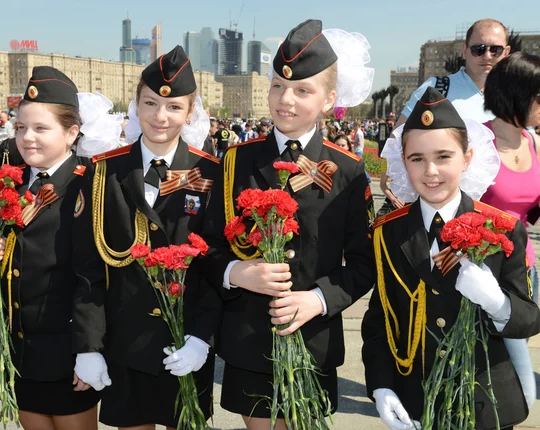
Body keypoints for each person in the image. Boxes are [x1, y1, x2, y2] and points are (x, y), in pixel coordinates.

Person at [201, 19, 375, 429]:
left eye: (302, 90)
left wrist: (317, 299)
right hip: (250, 342)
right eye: (278, 85)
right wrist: (234, 271)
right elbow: (206, 247)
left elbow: (364, 264)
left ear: (329, 98)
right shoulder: (234, 162)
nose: (286, 99)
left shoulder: (348, 171)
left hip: (313, 341)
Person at [362, 87, 540, 430]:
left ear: (467, 157)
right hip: (415, 399)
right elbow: (380, 319)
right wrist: (381, 384)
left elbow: (530, 318)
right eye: (417, 159)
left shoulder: (502, 228)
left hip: (486, 403)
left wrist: (498, 303)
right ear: (404, 160)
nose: (431, 171)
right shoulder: (388, 232)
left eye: (444, 156)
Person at [72, 46, 221, 429]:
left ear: (190, 113)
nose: (160, 116)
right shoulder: (105, 172)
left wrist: (202, 337)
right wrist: (89, 345)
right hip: (126, 344)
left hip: (186, 343)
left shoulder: (212, 173)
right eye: (150, 103)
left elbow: (216, 262)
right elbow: (88, 266)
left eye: (174, 107)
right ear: (135, 106)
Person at [0, 66, 102, 430]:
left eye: (40, 129)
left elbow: (94, 276)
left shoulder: (90, 185)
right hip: (19, 349)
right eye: (20, 128)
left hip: (67, 352)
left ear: (71, 132)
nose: (27, 138)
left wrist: (90, 349)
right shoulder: (8, 183)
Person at [480, 51, 540, 410]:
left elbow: (526, 211)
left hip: (526, 272)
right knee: (523, 392)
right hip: (486, 279)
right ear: (516, 94)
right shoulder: (476, 143)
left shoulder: (533, 142)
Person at [395, 19, 511, 127]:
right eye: (478, 49)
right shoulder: (435, 89)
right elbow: (395, 143)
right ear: (465, 51)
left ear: (506, 53)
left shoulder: (516, 95)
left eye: (495, 50)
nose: (487, 56)